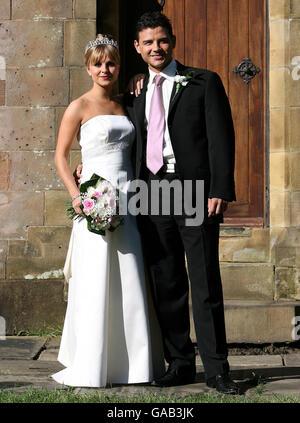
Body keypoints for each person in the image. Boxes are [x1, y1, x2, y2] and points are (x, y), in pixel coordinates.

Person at [124, 11, 239, 394]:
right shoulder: (134, 91)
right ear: (138, 48)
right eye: (148, 42)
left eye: (162, 40)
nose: (156, 47)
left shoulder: (203, 82)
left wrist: (220, 188)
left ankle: (218, 369)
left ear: (172, 41)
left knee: (204, 282)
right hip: (150, 191)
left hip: (194, 189)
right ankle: (180, 364)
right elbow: (125, 140)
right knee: (167, 283)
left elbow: (221, 137)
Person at [51, 33, 164, 387]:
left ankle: (133, 364)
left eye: (110, 63)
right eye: (98, 63)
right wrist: (76, 195)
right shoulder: (78, 107)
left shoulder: (124, 104)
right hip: (95, 200)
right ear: (88, 67)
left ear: (118, 66)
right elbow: (60, 156)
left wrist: (140, 80)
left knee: (129, 273)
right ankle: (92, 359)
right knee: (96, 274)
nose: (104, 69)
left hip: (128, 198)